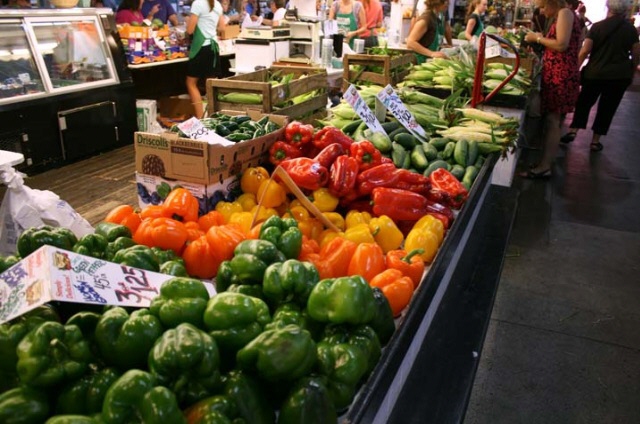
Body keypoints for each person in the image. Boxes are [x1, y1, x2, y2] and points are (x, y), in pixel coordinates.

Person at [560, 0, 640, 152]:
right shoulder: (630, 30)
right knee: (608, 108)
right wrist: (632, 69)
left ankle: (573, 130)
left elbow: (584, 51)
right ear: (624, 10)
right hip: (619, 76)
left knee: (584, 102)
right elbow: (636, 52)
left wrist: (575, 69)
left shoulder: (597, 27)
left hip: (594, 73)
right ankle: (595, 141)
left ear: (608, 8)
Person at [520, 0, 582, 178]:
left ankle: (544, 167)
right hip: (558, 73)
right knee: (553, 120)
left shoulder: (565, 13)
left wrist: (537, 38)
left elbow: (561, 44)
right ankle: (544, 163)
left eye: (543, 6)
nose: (541, 10)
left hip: (560, 75)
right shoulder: (562, 14)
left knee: (553, 121)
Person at [186, 0, 225, 118]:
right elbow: (222, 28)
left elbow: (190, 30)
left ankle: (200, 119)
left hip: (201, 48)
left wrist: (188, 21)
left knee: (191, 83)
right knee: (210, 85)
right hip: (214, 48)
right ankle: (212, 117)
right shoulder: (217, 4)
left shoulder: (198, 3)